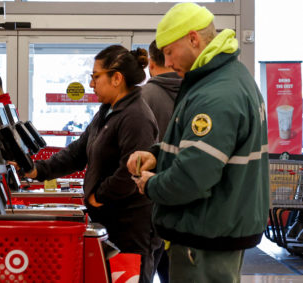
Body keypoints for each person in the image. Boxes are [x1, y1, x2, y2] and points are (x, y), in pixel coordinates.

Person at [127, 3, 269, 283]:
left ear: (193, 39)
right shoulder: (226, 78)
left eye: (169, 51)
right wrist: (158, 155)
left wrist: (150, 184)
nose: (166, 62)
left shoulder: (216, 94)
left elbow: (193, 177)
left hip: (205, 239)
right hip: (216, 230)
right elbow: (199, 151)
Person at [21, 45, 159, 283]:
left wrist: (99, 196)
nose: (92, 84)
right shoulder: (107, 111)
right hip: (110, 222)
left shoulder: (136, 116)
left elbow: (131, 172)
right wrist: (38, 170)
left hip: (131, 229)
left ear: (117, 78)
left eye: (96, 76)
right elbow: (78, 151)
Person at [141, 39, 182, 283]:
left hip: (149, 197)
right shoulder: (196, 94)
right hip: (184, 201)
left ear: (151, 63)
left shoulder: (143, 96)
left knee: (149, 267)